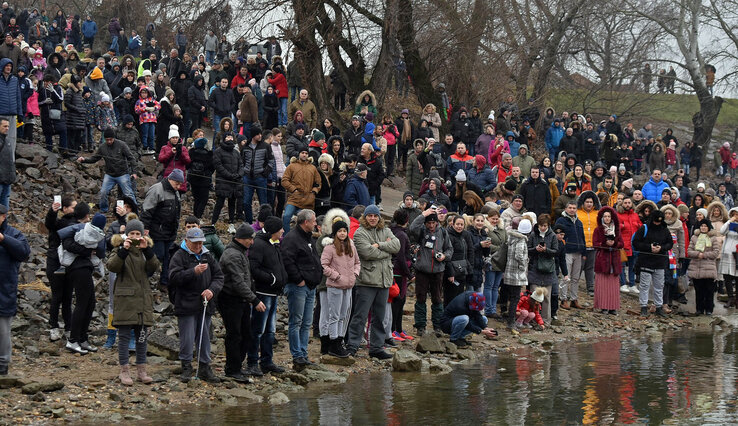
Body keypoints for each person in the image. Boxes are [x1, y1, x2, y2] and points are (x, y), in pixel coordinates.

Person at [106, 219, 159, 385]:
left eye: (138, 233)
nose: (135, 237)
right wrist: (124, 250)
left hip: (142, 300)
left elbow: (155, 267)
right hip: (125, 300)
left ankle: (141, 370)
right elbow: (112, 266)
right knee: (123, 337)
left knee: (142, 337)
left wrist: (148, 251)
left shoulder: (145, 251)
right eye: (132, 234)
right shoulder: (119, 249)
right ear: (126, 235)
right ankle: (124, 371)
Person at [169, 227, 224, 383]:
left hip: (205, 302)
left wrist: (212, 290)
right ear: (187, 241)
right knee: (187, 337)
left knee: (205, 335)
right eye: (195, 243)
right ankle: (186, 366)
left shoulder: (207, 255)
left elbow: (219, 276)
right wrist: (193, 272)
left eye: (200, 243)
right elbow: (173, 277)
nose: (198, 246)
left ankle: (205, 366)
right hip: (185, 303)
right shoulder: (179, 255)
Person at [346, 205, 399, 359]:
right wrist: (386, 251)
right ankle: (352, 345)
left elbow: (396, 246)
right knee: (360, 316)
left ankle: (376, 347)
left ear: (379, 217)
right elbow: (367, 252)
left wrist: (381, 245)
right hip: (367, 281)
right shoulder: (360, 233)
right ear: (365, 217)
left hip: (383, 281)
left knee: (379, 317)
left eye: (375, 216)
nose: (373, 218)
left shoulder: (386, 230)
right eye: (370, 216)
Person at [217, 224, 264, 382]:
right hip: (230, 299)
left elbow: (246, 279)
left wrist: (251, 296)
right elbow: (238, 282)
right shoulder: (232, 255)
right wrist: (254, 299)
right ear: (241, 239)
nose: (252, 242)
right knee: (234, 335)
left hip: (241, 299)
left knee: (246, 334)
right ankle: (232, 369)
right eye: (250, 239)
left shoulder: (240, 252)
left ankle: (237, 366)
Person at [59, 213, 107, 354]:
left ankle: (82, 338)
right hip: (78, 268)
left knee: (90, 303)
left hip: (84, 268)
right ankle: (73, 340)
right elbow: (67, 244)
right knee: (82, 303)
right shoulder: (74, 228)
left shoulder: (79, 229)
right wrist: (87, 251)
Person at [281, 210, 323, 368]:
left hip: (311, 286)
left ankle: (303, 353)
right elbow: (287, 261)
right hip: (298, 287)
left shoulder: (309, 238)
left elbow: (314, 259)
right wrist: (298, 280)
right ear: (305, 222)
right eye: (313, 221)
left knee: (306, 323)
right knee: (296, 322)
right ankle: (297, 355)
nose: (315, 224)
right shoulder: (292, 238)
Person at [246, 216, 287, 376]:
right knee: (257, 329)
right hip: (263, 293)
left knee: (270, 330)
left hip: (274, 292)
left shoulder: (274, 244)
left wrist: (281, 280)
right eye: (281, 229)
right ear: (274, 231)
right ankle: (252, 362)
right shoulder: (259, 245)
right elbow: (253, 268)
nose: (283, 231)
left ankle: (267, 361)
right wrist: (272, 279)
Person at [320, 219, 360, 357]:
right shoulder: (329, 248)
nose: (342, 233)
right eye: (339, 231)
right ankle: (333, 343)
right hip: (335, 286)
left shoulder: (351, 247)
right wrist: (336, 276)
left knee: (343, 315)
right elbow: (324, 266)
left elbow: (357, 263)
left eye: (344, 231)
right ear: (335, 233)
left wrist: (354, 274)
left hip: (348, 286)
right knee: (334, 316)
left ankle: (340, 340)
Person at [409, 208, 452, 336]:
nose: (431, 225)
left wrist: (445, 256)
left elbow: (450, 249)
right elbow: (412, 227)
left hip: (438, 271)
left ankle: (437, 326)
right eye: (429, 223)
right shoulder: (421, 231)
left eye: (433, 223)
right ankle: (420, 326)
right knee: (421, 299)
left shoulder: (443, 232)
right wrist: (423, 215)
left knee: (437, 299)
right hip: (422, 270)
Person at [140, 169, 183, 292]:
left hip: (170, 232)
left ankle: (164, 282)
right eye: (177, 184)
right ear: (171, 179)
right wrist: (145, 228)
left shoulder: (176, 192)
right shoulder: (157, 189)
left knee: (169, 257)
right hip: (156, 231)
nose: (178, 187)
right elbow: (147, 210)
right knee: (157, 256)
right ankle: (142, 278)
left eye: (180, 184)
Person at [0, 203, 30, 375]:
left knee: (3, 332)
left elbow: (24, 253)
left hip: (4, 289)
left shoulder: (14, 234)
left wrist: (4, 240)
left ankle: (3, 364)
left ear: (4, 217)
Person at [77, 128, 138, 212]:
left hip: (123, 173)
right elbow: (95, 158)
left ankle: (135, 210)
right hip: (110, 175)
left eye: (111, 139)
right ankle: (104, 209)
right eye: (107, 140)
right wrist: (84, 160)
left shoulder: (122, 145)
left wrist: (134, 172)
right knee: (103, 192)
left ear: (114, 138)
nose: (109, 141)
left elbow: (131, 158)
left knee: (128, 193)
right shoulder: (102, 147)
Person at [632, 210, 673, 317]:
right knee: (644, 286)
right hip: (646, 261)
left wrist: (661, 248)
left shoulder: (665, 229)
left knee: (659, 286)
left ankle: (659, 307)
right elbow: (636, 242)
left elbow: (670, 243)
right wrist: (649, 247)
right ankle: (643, 307)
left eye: (659, 222)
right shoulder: (644, 228)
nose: (657, 224)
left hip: (660, 262)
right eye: (655, 222)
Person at [592, 206, 624, 314]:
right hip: (602, 260)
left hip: (614, 260)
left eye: (608, 216)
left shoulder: (617, 229)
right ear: (602, 218)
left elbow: (621, 244)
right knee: (602, 284)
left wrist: (614, 243)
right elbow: (595, 244)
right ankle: (603, 306)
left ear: (612, 217)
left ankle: (612, 307)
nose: (607, 218)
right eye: (605, 216)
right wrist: (605, 244)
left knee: (613, 285)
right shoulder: (598, 230)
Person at [526, 214, 558, 322]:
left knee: (546, 298)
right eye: (541, 225)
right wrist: (536, 249)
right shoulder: (533, 235)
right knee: (533, 295)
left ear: (548, 225)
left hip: (548, 270)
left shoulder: (553, 236)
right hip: (535, 268)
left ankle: (546, 319)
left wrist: (546, 250)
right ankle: (531, 318)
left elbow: (556, 251)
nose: (542, 228)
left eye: (544, 225)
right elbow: (527, 249)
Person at [555, 201, 586, 309]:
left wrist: (584, 251)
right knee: (565, 276)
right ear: (566, 208)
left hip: (578, 252)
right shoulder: (561, 221)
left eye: (574, 208)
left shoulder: (579, 222)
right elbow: (557, 236)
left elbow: (582, 237)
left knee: (576, 278)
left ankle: (574, 298)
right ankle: (563, 299)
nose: (572, 210)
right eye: (570, 207)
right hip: (566, 252)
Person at [281, 148, 321, 232]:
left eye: (306, 153)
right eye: (302, 153)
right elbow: (284, 180)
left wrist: (314, 191)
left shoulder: (313, 168)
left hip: (308, 201)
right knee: (286, 216)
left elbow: (318, 183)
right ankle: (286, 237)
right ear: (299, 154)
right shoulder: (292, 166)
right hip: (294, 199)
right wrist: (293, 189)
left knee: (306, 222)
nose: (304, 155)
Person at [688, 219, 721, 315]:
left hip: (709, 268)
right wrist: (697, 254)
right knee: (698, 291)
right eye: (701, 226)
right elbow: (689, 251)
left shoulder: (713, 238)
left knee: (709, 291)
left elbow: (715, 252)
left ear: (708, 227)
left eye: (705, 226)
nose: (703, 228)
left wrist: (704, 255)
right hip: (696, 267)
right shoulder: (694, 238)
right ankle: (699, 309)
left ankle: (709, 309)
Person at [504, 218, 531, 329]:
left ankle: (510, 319)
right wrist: (523, 265)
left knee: (511, 297)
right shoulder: (521, 240)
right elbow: (519, 255)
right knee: (515, 298)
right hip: (516, 273)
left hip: (509, 271)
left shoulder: (512, 238)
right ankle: (511, 322)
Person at [211, 133, 242, 228]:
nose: (230, 138)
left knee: (232, 203)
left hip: (234, 182)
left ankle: (231, 223)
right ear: (224, 139)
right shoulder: (218, 151)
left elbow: (241, 165)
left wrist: (239, 175)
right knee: (220, 203)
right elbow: (218, 166)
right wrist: (230, 176)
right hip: (223, 181)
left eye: (231, 137)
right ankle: (213, 223)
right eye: (228, 137)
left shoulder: (236, 152)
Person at [577, 190, 601, 297]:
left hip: (593, 246)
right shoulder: (577, 213)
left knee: (590, 268)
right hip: (581, 246)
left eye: (591, 202)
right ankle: (574, 286)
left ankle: (590, 287)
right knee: (579, 267)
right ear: (583, 202)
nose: (589, 204)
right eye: (587, 202)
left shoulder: (597, 214)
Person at [719, 208, 738, 308]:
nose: (736, 217)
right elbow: (722, 231)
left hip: (736, 253)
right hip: (727, 252)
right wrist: (729, 221)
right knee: (727, 277)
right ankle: (730, 298)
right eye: (734, 215)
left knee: (737, 276)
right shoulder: (729, 223)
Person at [0, 119, 15, 210]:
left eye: (8, 126)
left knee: (5, 208)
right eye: (4, 126)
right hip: (1, 180)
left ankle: (4, 225)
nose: (7, 128)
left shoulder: (7, 140)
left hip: (7, 180)